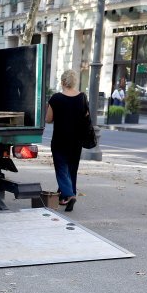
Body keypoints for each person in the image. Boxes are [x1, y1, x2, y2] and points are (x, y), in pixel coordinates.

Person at [45, 69, 87, 212]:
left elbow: (48, 119)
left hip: (60, 139)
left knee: (62, 169)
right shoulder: (82, 97)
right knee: (72, 169)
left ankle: (69, 195)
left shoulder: (55, 98)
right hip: (77, 141)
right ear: (74, 82)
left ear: (63, 82)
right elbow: (86, 117)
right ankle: (66, 196)